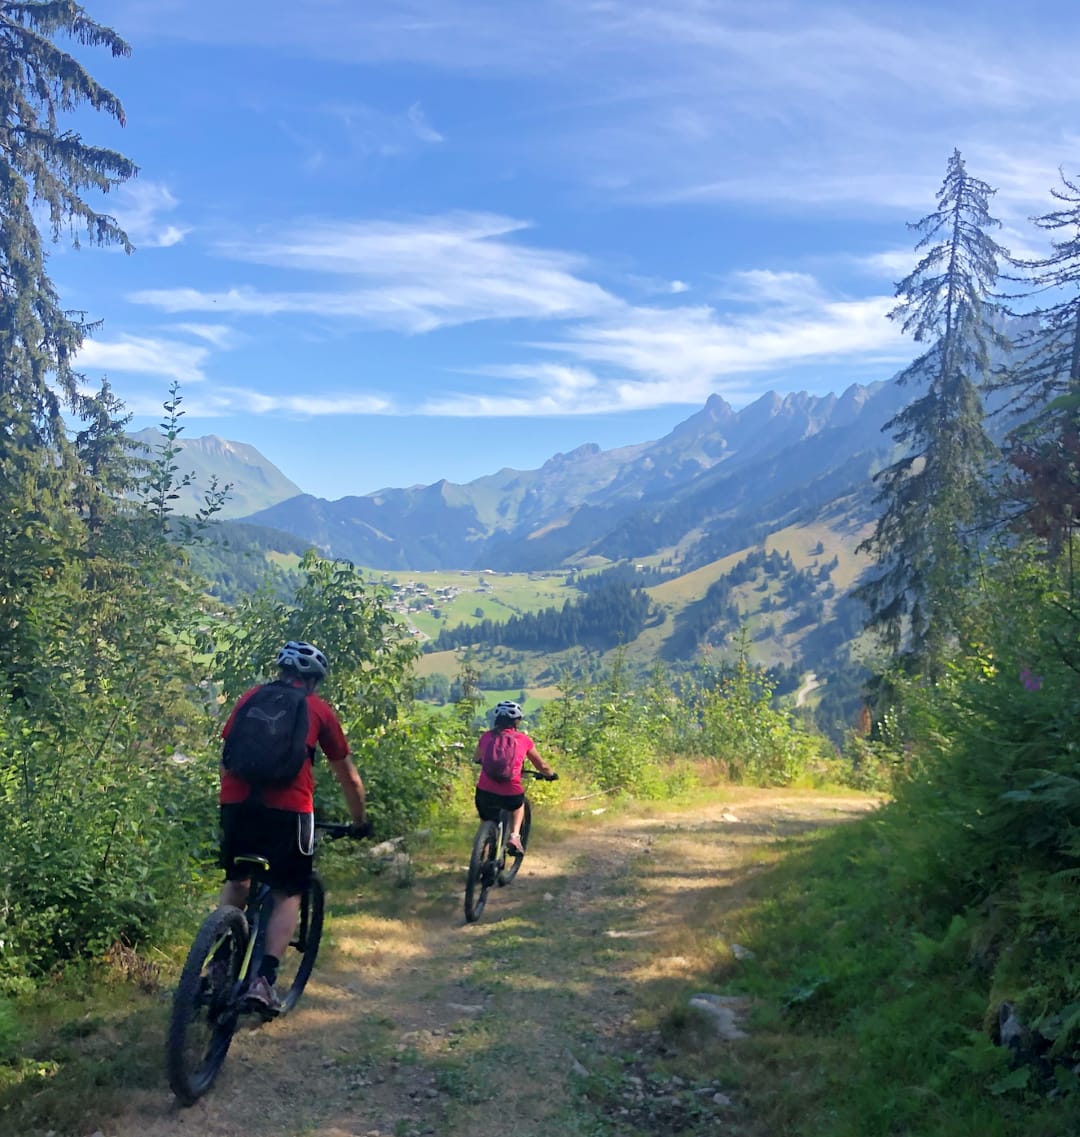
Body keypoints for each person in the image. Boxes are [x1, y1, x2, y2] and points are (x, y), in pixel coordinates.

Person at [218, 640, 370, 1014]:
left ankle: (217, 964)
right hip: (289, 810)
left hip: (236, 802)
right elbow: (348, 777)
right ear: (314, 681)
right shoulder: (318, 709)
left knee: (238, 878)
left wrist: (232, 799)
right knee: (289, 890)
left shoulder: (249, 697)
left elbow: (226, 757)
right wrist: (360, 821)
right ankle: (263, 981)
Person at [473, 700, 556, 854]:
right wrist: (551, 775)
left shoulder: (486, 737)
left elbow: (476, 758)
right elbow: (541, 766)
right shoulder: (523, 740)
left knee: (486, 820)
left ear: (496, 719)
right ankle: (515, 836)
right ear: (517, 721)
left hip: (484, 791)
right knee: (518, 806)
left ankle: (479, 858)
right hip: (510, 792)